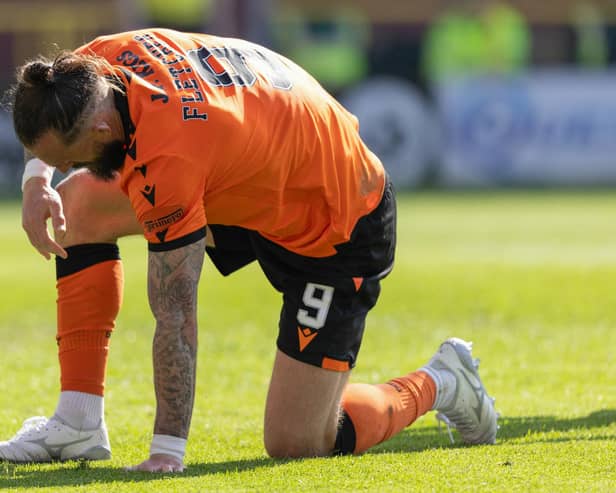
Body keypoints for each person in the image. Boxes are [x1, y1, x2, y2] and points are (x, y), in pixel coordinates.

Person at [3, 28, 498, 472]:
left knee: (298, 440)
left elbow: (175, 313)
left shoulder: (171, 151)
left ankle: (441, 382)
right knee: (76, 205)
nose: (64, 166)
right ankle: (78, 422)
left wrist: (167, 452)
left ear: (101, 130)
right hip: (254, 179)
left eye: (66, 159)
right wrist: (35, 182)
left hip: (335, 220)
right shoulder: (92, 68)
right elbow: (48, 106)